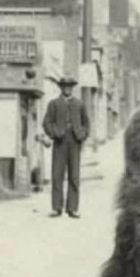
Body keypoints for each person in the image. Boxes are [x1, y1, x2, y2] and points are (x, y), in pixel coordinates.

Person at [42, 76, 89, 218]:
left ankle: (72, 208)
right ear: (61, 88)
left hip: (74, 142)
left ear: (72, 88)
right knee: (57, 175)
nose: (67, 88)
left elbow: (86, 124)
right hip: (59, 142)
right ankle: (56, 208)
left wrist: (82, 135)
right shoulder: (54, 104)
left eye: (69, 86)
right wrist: (54, 132)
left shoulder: (79, 104)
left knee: (74, 176)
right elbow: (46, 123)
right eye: (64, 86)